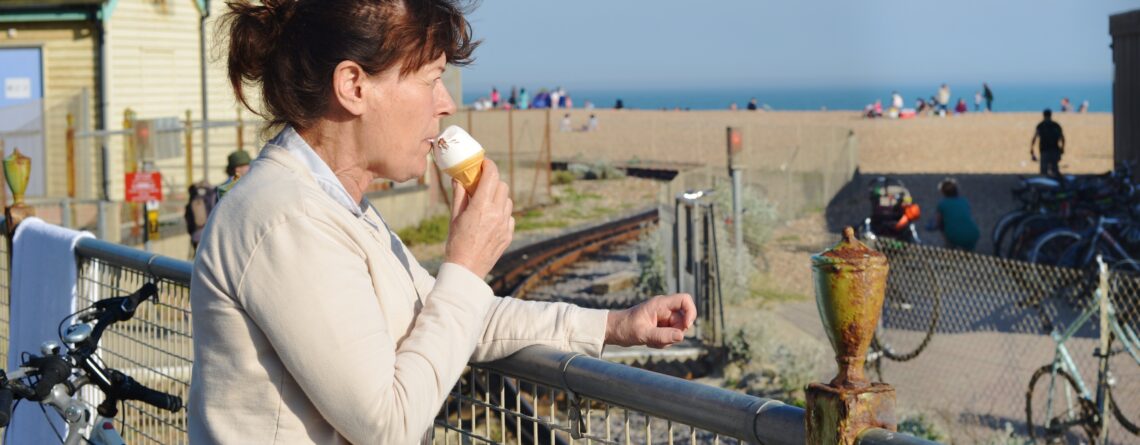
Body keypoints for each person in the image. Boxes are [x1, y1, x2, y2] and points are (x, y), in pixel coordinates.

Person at [192, 2, 697, 444]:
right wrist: (466, 263)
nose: (446, 103)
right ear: (353, 86)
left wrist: (612, 325)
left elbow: (453, 313)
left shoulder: (334, 204)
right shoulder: (287, 218)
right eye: (431, 79)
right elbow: (386, 426)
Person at [928, 178, 980, 250]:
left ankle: (949, 249)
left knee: (944, 228)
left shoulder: (943, 204)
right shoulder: (964, 201)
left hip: (955, 235)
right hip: (973, 233)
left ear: (943, 192)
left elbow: (938, 223)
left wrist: (930, 227)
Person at [1030, 108, 1065, 177]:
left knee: (1044, 170)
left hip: (1044, 149)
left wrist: (1032, 149)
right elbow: (1062, 138)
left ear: (1043, 115)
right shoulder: (1056, 125)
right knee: (1054, 168)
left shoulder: (1041, 125)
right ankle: (1056, 181)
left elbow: (1034, 138)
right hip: (1055, 149)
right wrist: (1062, 148)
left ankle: (1046, 182)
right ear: (1050, 115)